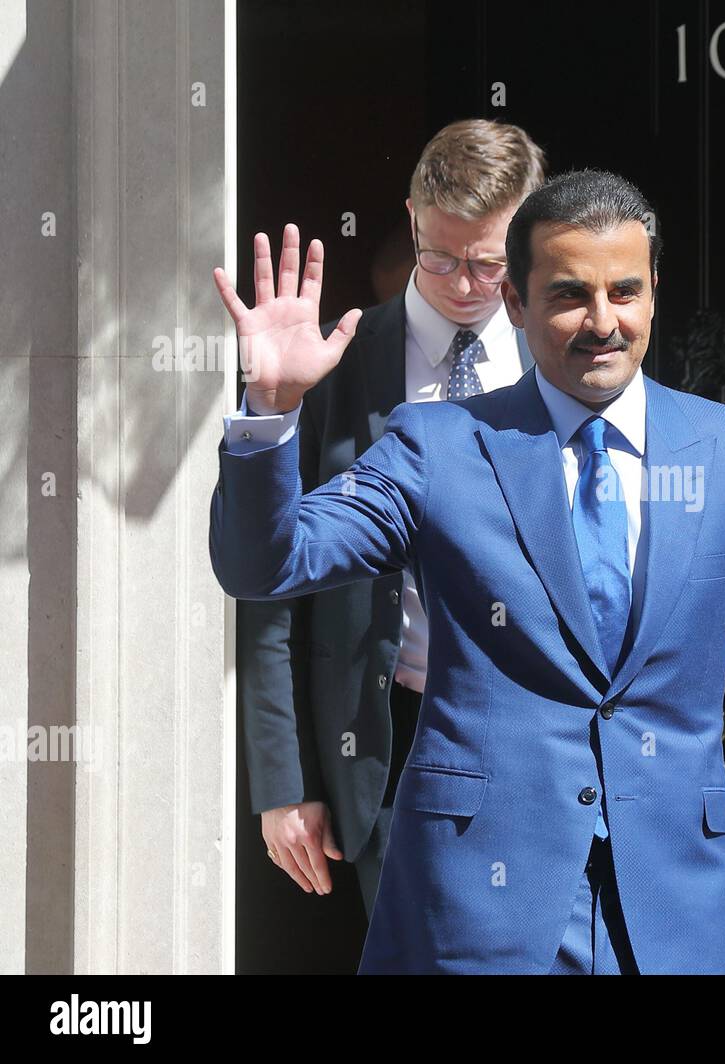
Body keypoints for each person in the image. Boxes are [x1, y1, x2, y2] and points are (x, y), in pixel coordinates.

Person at [211, 169, 725, 974]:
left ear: (654, 293)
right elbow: (265, 564)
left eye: (625, 291)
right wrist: (269, 408)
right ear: (516, 302)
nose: (602, 322)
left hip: (676, 915)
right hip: (475, 912)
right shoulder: (438, 444)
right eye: (569, 295)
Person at [237, 119, 545, 918]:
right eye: (440, 256)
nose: (464, 283)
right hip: (387, 738)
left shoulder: (568, 364)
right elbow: (270, 589)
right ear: (412, 217)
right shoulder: (338, 363)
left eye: (488, 260)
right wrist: (284, 781)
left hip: (544, 736)